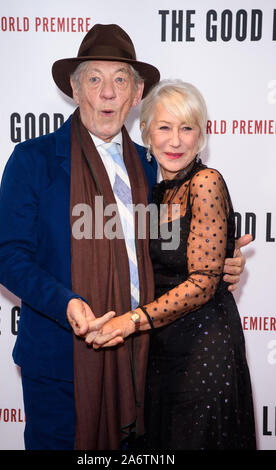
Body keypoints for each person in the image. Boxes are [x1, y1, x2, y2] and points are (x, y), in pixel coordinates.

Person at [0, 24, 249, 450]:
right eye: (94, 79)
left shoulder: (153, 169)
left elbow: (180, 252)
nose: (107, 93)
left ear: (137, 92)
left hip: (141, 365)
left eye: (120, 80)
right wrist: (66, 302)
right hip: (61, 368)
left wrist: (221, 265)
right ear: (75, 89)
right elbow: (9, 256)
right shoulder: (33, 160)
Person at [88, 79, 256, 450]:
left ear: (201, 135)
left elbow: (202, 282)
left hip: (204, 351)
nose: (175, 141)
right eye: (164, 127)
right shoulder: (148, 188)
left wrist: (130, 322)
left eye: (187, 128)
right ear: (145, 131)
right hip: (157, 353)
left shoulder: (205, 182)